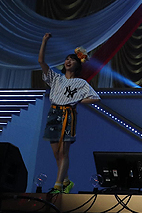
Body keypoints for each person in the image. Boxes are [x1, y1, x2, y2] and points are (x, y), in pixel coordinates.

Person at [38, 33, 100, 194]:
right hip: (53, 113)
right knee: (56, 153)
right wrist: (44, 41)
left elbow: (95, 98)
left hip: (67, 115)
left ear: (77, 64)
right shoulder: (56, 78)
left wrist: (78, 100)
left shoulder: (80, 83)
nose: (68, 61)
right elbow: (41, 61)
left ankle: (58, 186)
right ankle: (66, 181)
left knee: (63, 152)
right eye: (67, 59)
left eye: (72, 59)